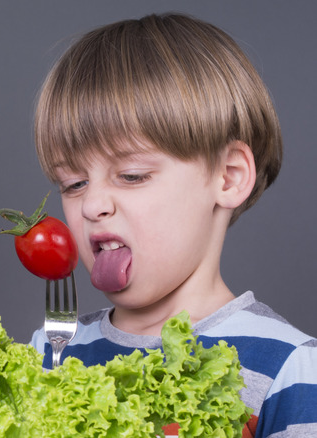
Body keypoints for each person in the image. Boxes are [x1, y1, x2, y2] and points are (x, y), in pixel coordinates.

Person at [28, 13, 317, 437]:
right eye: (73, 183)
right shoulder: (53, 349)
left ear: (228, 177)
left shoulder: (289, 367)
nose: (92, 204)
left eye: (131, 176)